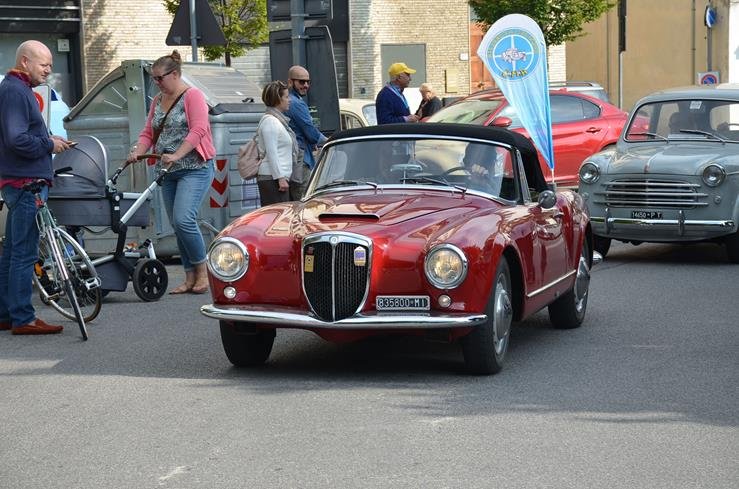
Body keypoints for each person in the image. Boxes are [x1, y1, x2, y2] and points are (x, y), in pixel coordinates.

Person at [127, 50, 215, 295]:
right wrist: (138, 151)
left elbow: (199, 129)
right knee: (178, 224)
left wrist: (177, 154)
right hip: (167, 170)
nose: (156, 83)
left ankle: (203, 271)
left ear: (174, 74)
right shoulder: (158, 100)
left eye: (159, 78)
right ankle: (189, 277)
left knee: (184, 219)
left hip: (194, 168)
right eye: (153, 78)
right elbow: (148, 132)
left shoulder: (193, 96)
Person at [0, 40, 72, 335]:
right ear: (25, 62)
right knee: (24, 253)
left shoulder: (15, 89)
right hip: (26, 182)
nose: (49, 70)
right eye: (44, 64)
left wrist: (49, 139)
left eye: (51, 65)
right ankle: (23, 317)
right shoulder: (16, 91)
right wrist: (49, 144)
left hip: (19, 180)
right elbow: (16, 138)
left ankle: (7, 314)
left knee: (12, 251)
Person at [285, 65, 327, 200]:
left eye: (308, 82)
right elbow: (311, 133)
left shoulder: (290, 100)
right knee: (304, 202)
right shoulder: (296, 103)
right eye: (302, 82)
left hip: (293, 159)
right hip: (301, 160)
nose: (306, 85)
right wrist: (330, 141)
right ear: (290, 82)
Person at [255, 80, 300, 206]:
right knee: (276, 216)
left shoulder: (279, 121)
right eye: (286, 97)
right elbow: (272, 153)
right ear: (277, 99)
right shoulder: (270, 122)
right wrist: (280, 178)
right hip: (272, 179)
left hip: (277, 178)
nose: (289, 100)